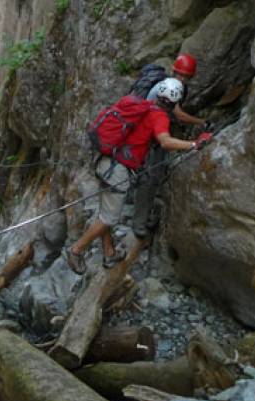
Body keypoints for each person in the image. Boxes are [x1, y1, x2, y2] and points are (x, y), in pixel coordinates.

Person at [66, 79, 212, 274]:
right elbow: (165, 142)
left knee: (105, 211)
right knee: (109, 218)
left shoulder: (145, 106)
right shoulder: (159, 117)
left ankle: (109, 253)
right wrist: (194, 144)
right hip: (117, 170)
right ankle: (76, 250)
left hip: (104, 160)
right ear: (175, 101)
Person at [130, 53, 207, 240]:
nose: (183, 79)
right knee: (148, 179)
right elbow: (178, 114)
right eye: (181, 75)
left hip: (153, 135)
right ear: (174, 71)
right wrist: (201, 123)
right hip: (149, 138)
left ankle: (143, 212)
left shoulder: (169, 85)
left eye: (186, 77)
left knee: (154, 175)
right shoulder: (166, 88)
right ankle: (139, 223)